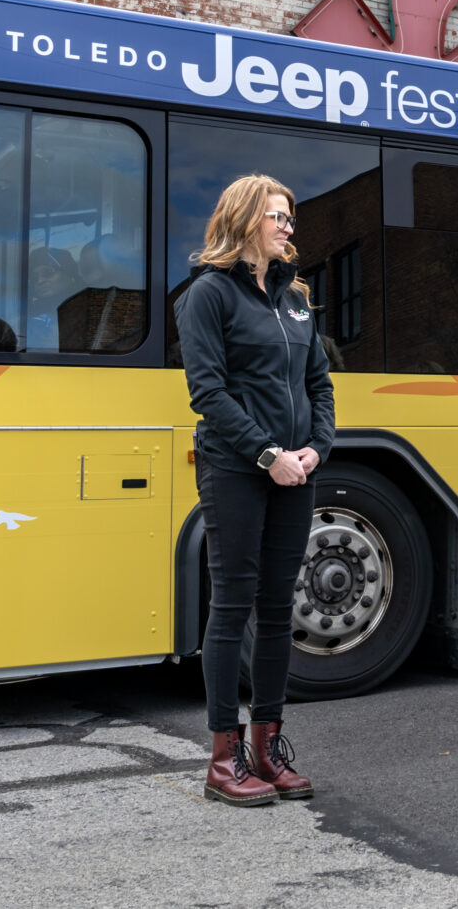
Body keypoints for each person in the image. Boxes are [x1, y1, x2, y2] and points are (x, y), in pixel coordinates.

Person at [175, 174, 335, 805]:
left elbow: (320, 383)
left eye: (290, 217)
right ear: (244, 220)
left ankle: (267, 750)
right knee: (233, 607)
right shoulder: (207, 294)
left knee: (277, 611)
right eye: (277, 216)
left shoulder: (295, 298)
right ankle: (223, 759)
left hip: (295, 470)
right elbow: (207, 393)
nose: (288, 226)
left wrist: (315, 449)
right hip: (238, 469)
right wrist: (267, 454)